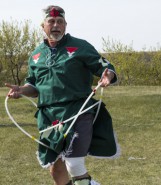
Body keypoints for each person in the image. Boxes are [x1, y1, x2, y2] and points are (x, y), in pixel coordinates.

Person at [5, 5, 120, 185]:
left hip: (78, 111)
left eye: (60, 21)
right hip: (49, 118)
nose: (56, 25)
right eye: (51, 21)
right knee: (56, 169)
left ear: (65, 25)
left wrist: (108, 75)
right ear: (43, 26)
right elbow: (33, 86)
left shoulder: (80, 46)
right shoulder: (36, 55)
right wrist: (21, 90)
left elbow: (105, 67)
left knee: (74, 164)